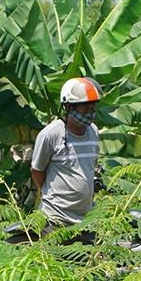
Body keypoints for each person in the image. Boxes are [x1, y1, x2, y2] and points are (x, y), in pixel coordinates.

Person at [28, 77, 103, 239]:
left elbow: (90, 167)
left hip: (86, 219)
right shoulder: (51, 134)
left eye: (93, 109)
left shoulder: (93, 131)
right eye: (85, 110)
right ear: (69, 107)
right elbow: (37, 171)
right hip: (55, 219)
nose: (90, 114)